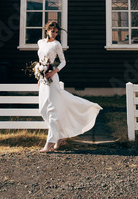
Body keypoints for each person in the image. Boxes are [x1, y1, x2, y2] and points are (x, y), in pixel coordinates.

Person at [36, 21, 102, 152]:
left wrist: (53, 72)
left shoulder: (56, 44)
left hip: (52, 78)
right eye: (52, 31)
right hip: (43, 79)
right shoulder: (40, 42)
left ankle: (50, 142)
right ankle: (60, 137)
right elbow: (41, 60)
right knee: (42, 109)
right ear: (47, 30)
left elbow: (63, 61)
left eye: (56, 32)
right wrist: (39, 76)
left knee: (52, 109)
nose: (54, 34)